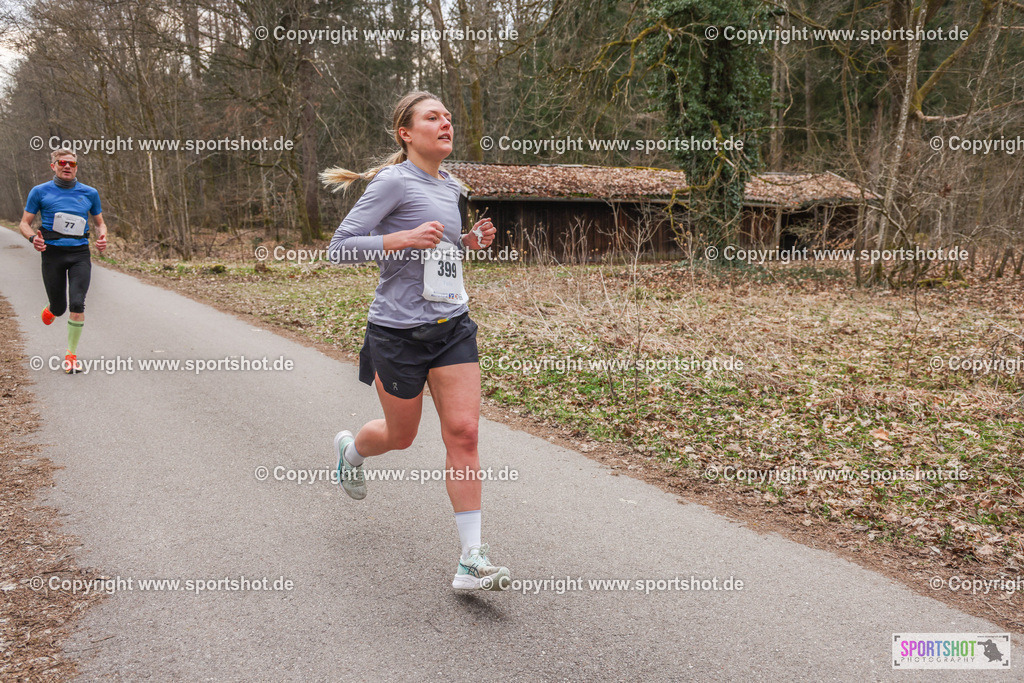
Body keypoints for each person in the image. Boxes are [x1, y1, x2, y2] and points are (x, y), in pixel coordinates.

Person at [322, 91, 508, 591]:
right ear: (406, 133)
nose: (446, 123)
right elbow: (339, 248)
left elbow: (440, 250)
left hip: (452, 326)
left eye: (448, 116)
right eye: (433, 117)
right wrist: (398, 239)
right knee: (400, 436)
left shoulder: (452, 186)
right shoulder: (392, 182)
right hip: (397, 333)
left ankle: (471, 559)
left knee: (464, 433)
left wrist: (466, 243)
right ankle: (352, 452)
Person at [19, 149, 107, 373]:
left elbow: (100, 223)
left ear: (76, 167)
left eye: (72, 163)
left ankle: (71, 356)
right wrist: (32, 238)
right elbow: (24, 223)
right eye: (62, 162)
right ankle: (52, 309)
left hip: (80, 254)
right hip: (52, 254)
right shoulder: (40, 191)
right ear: (53, 166)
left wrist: (103, 236)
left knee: (77, 303)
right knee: (59, 308)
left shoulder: (89, 193)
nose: (67, 166)